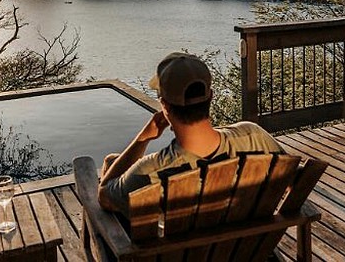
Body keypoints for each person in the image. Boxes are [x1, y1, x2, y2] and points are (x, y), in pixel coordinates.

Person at [98, 52, 284, 216]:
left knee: (111, 166)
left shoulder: (150, 171)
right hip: (246, 248)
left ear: (165, 106)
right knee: (112, 161)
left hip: (180, 254)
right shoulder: (252, 136)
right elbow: (289, 174)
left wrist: (143, 139)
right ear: (211, 96)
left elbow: (104, 197)